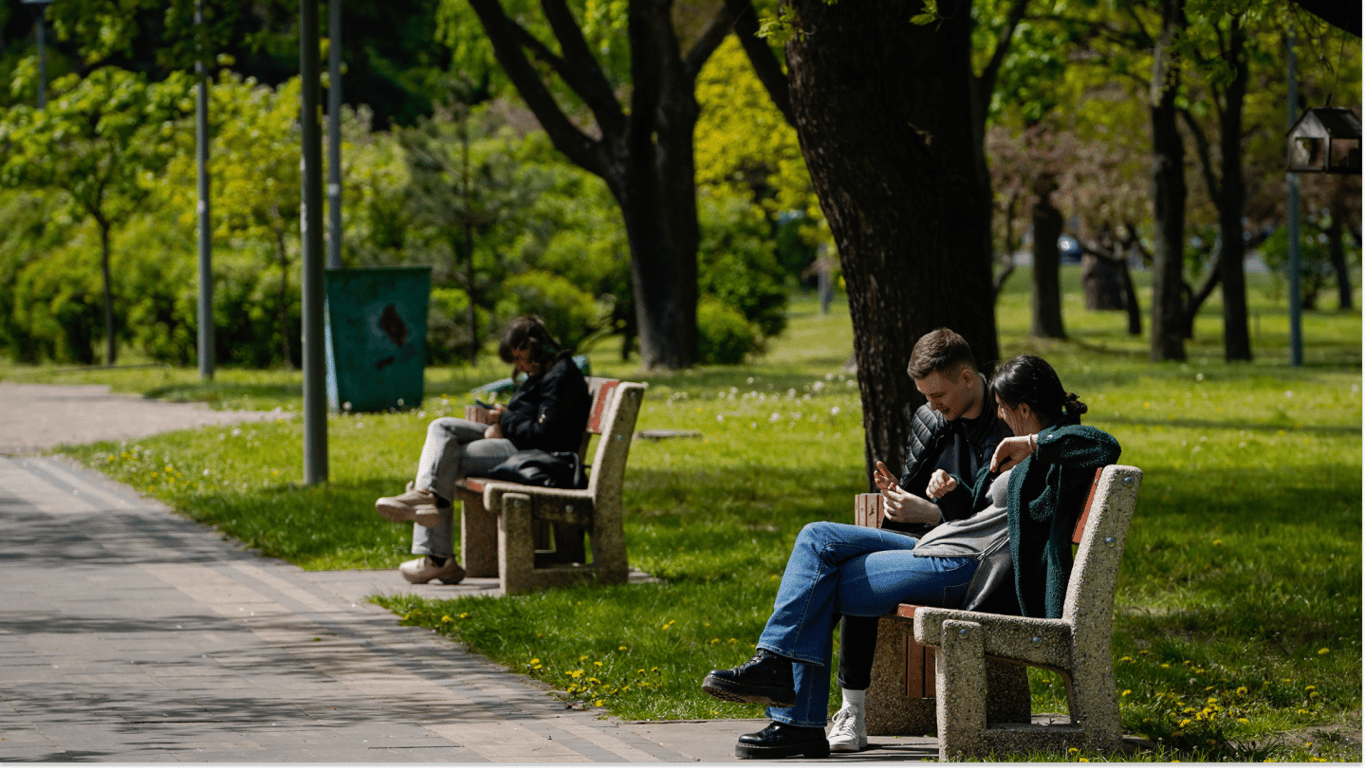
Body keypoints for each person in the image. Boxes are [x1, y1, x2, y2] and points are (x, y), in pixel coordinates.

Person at [700, 354, 1120, 760]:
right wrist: (953, 491)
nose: (1002, 417)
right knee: (817, 538)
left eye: (1004, 409)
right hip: (944, 546)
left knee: (821, 584)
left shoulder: (1060, 453)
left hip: (967, 568)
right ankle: (774, 666)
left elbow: (1104, 445)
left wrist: (1030, 441)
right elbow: (980, 513)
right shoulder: (1035, 453)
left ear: (1024, 409)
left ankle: (796, 721)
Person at [831, 328, 1012, 751]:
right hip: (925, 542)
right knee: (841, 551)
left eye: (937, 394)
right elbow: (911, 493)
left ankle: (843, 709)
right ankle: (848, 710)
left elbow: (993, 520)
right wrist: (898, 499)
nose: (931, 404)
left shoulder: (1004, 423)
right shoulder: (931, 420)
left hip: (972, 558)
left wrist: (930, 511)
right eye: (925, 396)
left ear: (967, 378)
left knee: (856, 573)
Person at [374, 316, 590, 585]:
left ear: (537, 348)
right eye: (516, 362)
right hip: (514, 440)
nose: (520, 367)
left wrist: (504, 420)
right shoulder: (545, 372)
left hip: (532, 454)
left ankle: (437, 558)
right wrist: (502, 419)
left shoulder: (561, 378)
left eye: (523, 359)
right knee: (441, 427)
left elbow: (545, 435)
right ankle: (426, 496)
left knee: (448, 458)